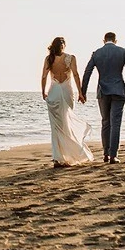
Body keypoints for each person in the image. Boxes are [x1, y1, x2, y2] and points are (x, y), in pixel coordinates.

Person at [80, 32, 125, 164]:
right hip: (118, 90)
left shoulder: (97, 53)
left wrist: (83, 91)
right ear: (115, 40)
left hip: (103, 91)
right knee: (116, 123)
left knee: (105, 122)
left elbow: (87, 72)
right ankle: (113, 156)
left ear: (104, 41)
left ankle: (106, 154)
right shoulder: (122, 52)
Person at [40, 37, 94, 168]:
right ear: (63, 46)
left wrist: (43, 91)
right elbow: (76, 75)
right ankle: (67, 155)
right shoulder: (70, 58)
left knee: (56, 127)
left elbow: (43, 76)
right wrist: (80, 93)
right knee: (66, 123)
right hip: (66, 91)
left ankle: (58, 158)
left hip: (53, 92)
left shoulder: (49, 59)